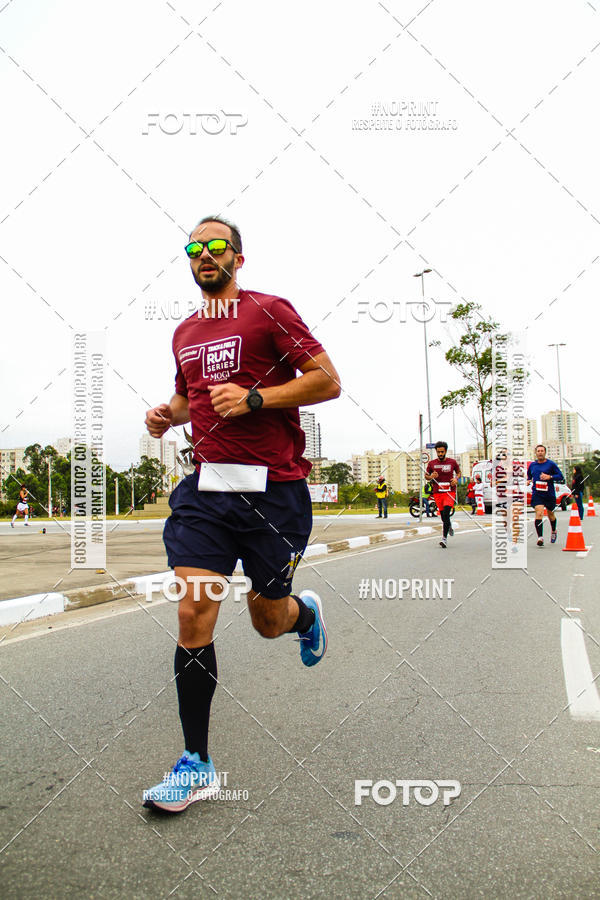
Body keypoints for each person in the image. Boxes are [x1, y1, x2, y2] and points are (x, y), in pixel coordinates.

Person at [143, 215, 340, 813]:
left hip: (274, 493)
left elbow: (327, 381)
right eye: (194, 247)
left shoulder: (269, 311)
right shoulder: (184, 332)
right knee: (193, 610)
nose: (204, 254)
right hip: (206, 493)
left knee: (266, 621)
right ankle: (195, 763)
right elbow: (189, 399)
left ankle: (303, 615)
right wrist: (167, 415)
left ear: (237, 257)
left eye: (216, 246)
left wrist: (257, 398)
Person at [527, 444, 564, 546]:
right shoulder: (532, 465)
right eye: (538, 451)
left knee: (550, 514)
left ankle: (553, 530)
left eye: (542, 451)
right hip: (537, 493)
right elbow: (529, 476)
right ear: (535, 453)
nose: (540, 453)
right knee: (539, 513)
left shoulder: (551, 464)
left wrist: (550, 477)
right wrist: (528, 480)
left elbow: (560, 476)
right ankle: (540, 537)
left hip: (549, 494)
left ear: (545, 452)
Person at [425, 442, 460, 548]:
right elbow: (426, 476)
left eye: (442, 452)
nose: (440, 454)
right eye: (438, 452)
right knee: (443, 516)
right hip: (438, 492)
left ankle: (444, 539)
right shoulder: (432, 463)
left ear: (445, 451)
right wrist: (431, 476)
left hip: (449, 491)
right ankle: (448, 525)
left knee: (446, 512)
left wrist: (456, 479)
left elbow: (459, 472)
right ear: (436, 452)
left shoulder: (452, 462)